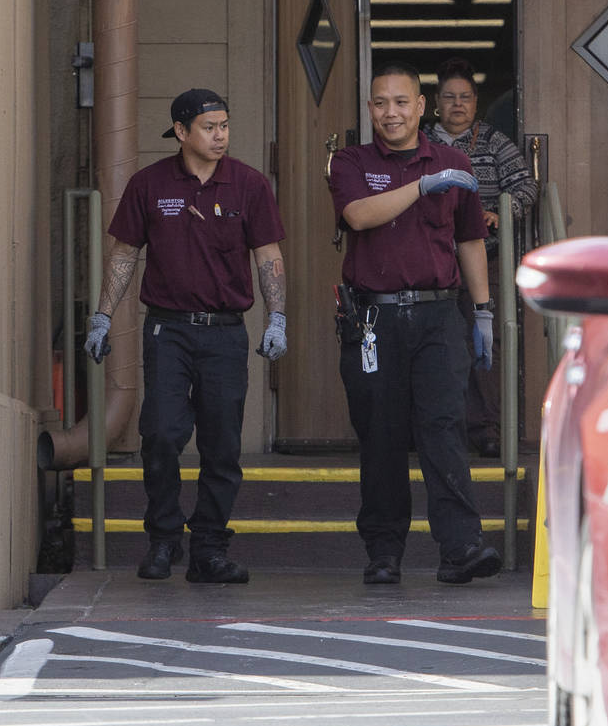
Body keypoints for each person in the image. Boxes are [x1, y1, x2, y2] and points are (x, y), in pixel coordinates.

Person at [83, 88, 287, 584]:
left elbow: (268, 256)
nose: (220, 136)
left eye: (225, 126)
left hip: (225, 333)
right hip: (167, 328)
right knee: (161, 434)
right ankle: (164, 539)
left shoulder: (250, 184)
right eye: (209, 127)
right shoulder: (149, 185)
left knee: (222, 444)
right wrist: (103, 316)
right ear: (180, 132)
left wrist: (277, 317)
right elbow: (124, 254)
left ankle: (210, 550)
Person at [328, 62, 501, 586]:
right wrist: (424, 186)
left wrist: (484, 310)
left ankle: (461, 548)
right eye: (380, 103)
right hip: (373, 317)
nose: (390, 113)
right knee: (380, 436)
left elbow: (470, 239)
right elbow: (358, 216)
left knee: (443, 428)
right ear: (370, 109)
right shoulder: (351, 162)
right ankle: (384, 552)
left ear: (421, 107)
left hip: (437, 314)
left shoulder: (453, 161)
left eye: (401, 103)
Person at [423, 57, 538, 458]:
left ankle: (487, 429)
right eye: (450, 97)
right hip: (428, 264)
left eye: (466, 98)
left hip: (485, 259)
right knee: (435, 345)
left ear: (476, 102)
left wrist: (500, 212)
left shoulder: (493, 142)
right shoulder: (420, 142)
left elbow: (526, 187)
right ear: (435, 103)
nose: (458, 105)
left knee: (487, 343)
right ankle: (438, 430)